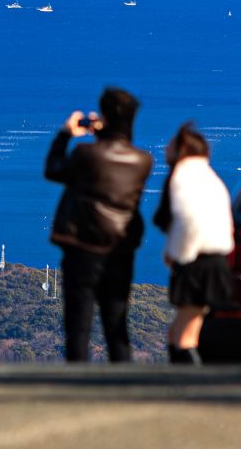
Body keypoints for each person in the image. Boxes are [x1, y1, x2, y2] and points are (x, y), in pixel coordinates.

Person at [43, 86, 153, 362]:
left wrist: (65, 133)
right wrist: (105, 131)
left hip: (83, 251)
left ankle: (79, 392)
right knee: (116, 326)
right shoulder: (142, 161)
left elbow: (53, 170)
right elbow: (113, 162)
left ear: (103, 116)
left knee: (78, 327)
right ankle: (123, 389)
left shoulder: (84, 155)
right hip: (120, 253)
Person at [153, 121, 235, 365]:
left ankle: (190, 385)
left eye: (170, 144)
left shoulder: (181, 177)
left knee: (184, 335)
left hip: (195, 263)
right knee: (184, 329)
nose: (165, 149)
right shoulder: (210, 178)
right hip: (216, 261)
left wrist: (178, 253)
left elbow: (187, 221)